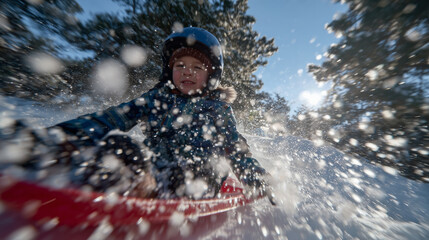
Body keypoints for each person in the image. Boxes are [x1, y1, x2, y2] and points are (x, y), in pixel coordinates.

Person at [2, 27, 274, 202]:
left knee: (198, 170)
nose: (187, 72)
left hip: (198, 181)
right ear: (170, 70)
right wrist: (63, 134)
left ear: (211, 75)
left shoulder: (218, 109)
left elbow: (236, 149)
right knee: (119, 148)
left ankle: (149, 193)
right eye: (180, 64)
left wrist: (254, 177)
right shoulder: (157, 98)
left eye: (197, 67)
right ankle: (47, 154)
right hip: (156, 172)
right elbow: (112, 118)